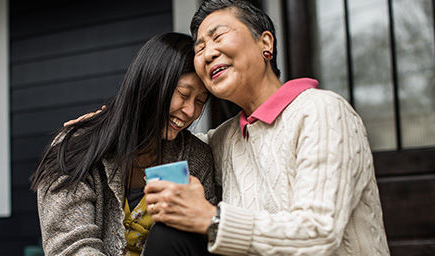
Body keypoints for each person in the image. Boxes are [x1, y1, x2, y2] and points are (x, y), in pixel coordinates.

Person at [142, 0, 390, 255]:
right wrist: (105, 121)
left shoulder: (322, 111)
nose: (208, 53)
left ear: (266, 43)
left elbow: (318, 233)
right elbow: (165, 140)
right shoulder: (226, 138)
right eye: (200, 47)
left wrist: (211, 219)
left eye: (218, 37)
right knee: (169, 233)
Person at [31, 32, 217, 256]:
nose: (191, 112)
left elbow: (203, 242)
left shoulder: (195, 158)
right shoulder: (76, 149)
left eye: (200, 101)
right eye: (183, 94)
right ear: (150, 83)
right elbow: (70, 247)